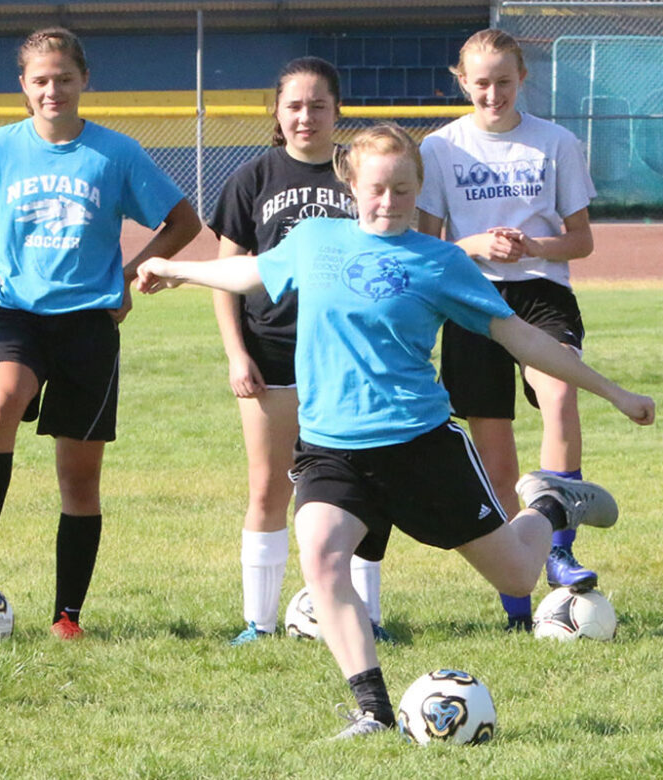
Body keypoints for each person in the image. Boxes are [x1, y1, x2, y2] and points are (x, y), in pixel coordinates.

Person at [135, 124, 654, 738]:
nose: (389, 202)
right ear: (351, 184)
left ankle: (550, 502)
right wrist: (175, 268)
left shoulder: (441, 263)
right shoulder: (317, 239)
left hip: (421, 447)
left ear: (418, 187)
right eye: (378, 189)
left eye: (403, 190)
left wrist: (615, 392)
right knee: (323, 556)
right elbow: (251, 272)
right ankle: (374, 712)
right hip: (331, 446)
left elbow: (523, 338)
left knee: (516, 575)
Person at [0, 27, 200, 639]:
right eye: (40, 80)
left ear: (83, 81)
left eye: (64, 79)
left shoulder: (115, 153)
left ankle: (68, 617)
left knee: (79, 478)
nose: (52, 90)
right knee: (5, 394)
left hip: (90, 324)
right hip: (19, 314)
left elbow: (183, 220)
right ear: (23, 86)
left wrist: (126, 277)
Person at [417, 28, 613, 632]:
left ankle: (556, 540)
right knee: (495, 452)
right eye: (482, 83)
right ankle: (516, 602)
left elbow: (581, 239)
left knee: (558, 392)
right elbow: (424, 245)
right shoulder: (440, 148)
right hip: (471, 295)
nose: (494, 94)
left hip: (542, 291)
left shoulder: (555, 142)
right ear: (462, 81)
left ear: (522, 79)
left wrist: (534, 245)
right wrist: (475, 244)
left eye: (505, 81)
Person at [207, 56, 388, 646]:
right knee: (268, 486)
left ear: (337, 110)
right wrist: (238, 354)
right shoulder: (252, 179)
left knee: (362, 484)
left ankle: (369, 615)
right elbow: (226, 274)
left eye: (317, 105)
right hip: (273, 350)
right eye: (294, 106)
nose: (305, 116)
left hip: (347, 354)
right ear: (277, 114)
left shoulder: (357, 176)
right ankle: (257, 623)